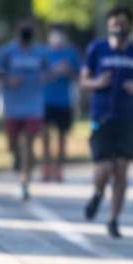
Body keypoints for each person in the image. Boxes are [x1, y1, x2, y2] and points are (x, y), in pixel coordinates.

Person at [81, 6, 133, 239]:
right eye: (114, 23)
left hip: (128, 118)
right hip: (102, 117)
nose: (118, 27)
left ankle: (113, 219)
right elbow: (84, 80)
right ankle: (97, 193)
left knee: (121, 170)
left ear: (130, 25)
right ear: (108, 25)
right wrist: (97, 83)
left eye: (122, 23)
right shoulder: (96, 49)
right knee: (104, 167)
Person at [0, 19, 50, 200]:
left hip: (34, 106)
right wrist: (8, 80)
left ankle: (24, 181)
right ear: (18, 35)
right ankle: (19, 160)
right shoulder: (8, 51)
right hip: (13, 106)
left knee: (29, 143)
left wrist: (46, 76)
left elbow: (50, 70)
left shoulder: (40, 51)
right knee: (13, 144)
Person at [42, 26, 81, 182]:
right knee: (45, 136)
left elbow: (79, 76)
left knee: (62, 137)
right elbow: (39, 76)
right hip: (46, 101)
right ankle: (46, 168)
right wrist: (53, 72)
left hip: (64, 101)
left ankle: (59, 169)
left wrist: (68, 71)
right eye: (54, 35)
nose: (57, 38)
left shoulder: (71, 54)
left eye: (60, 36)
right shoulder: (44, 54)